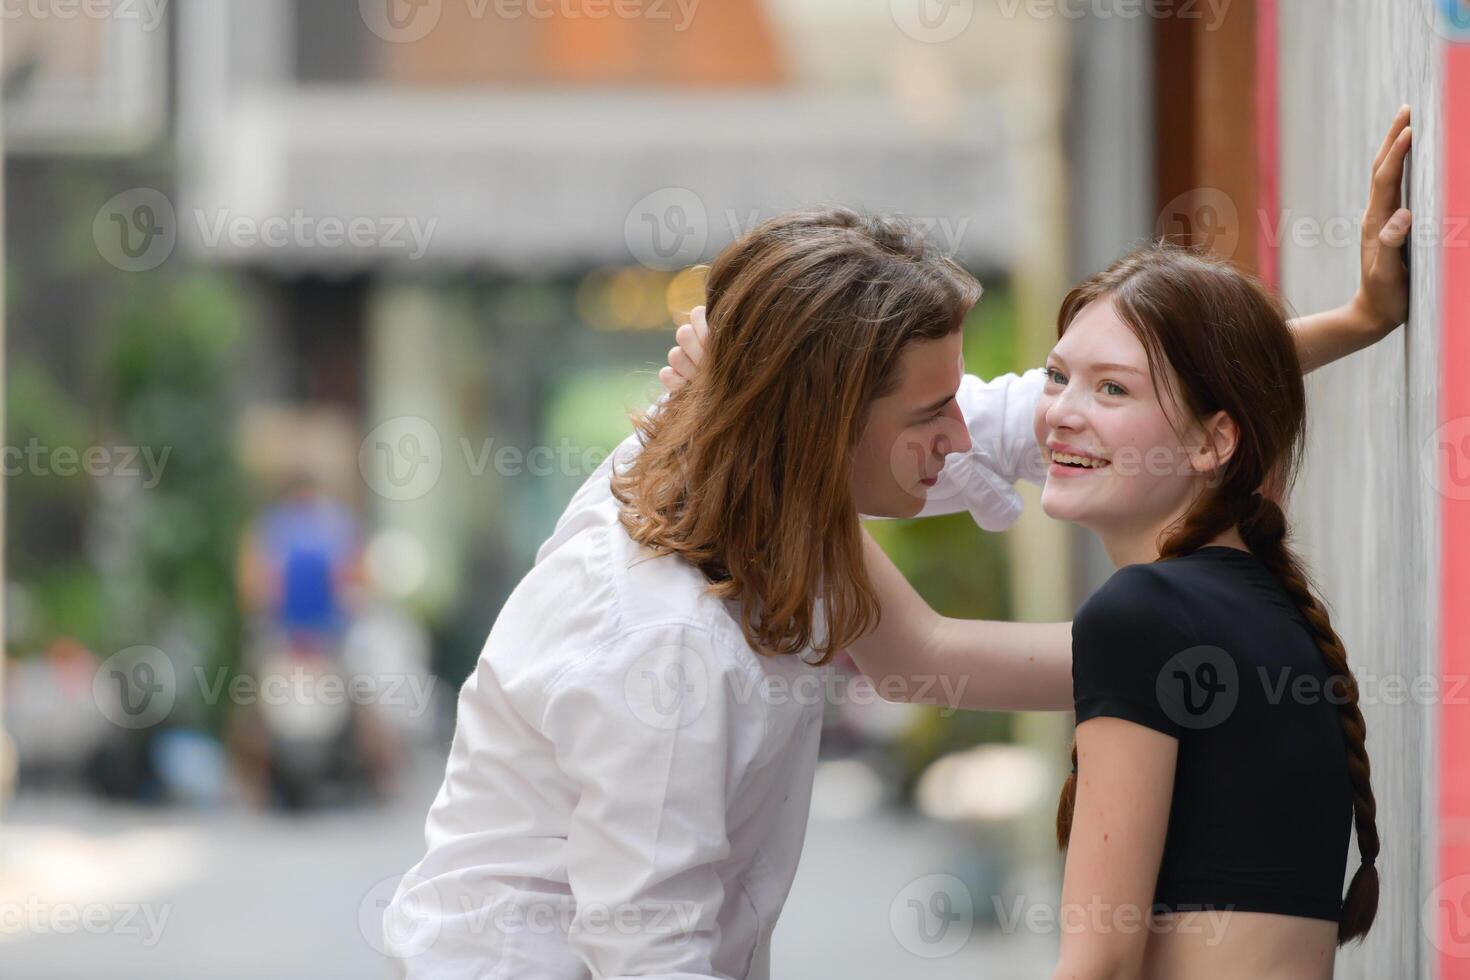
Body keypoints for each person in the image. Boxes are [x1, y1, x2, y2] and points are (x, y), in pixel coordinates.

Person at [386, 109, 1410, 978]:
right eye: (932, 414)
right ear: (823, 423)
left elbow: (1111, 401)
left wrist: (1354, 324)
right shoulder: (658, 634)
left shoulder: (781, 482)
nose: (968, 436)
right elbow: (650, 950)